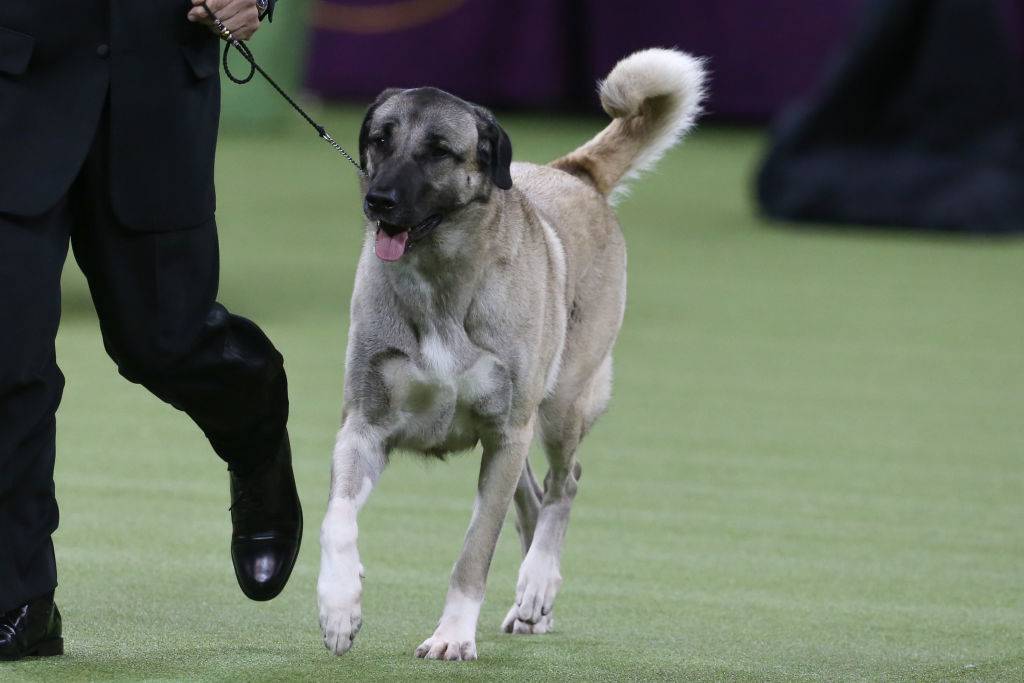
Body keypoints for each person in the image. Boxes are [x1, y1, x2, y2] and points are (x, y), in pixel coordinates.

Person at [0, 0, 302, 660]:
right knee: (6, 352)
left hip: (156, 79)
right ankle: (20, 593)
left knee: (166, 340)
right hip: (14, 72)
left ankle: (255, 433)